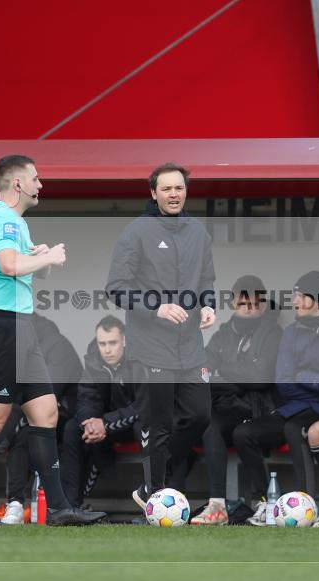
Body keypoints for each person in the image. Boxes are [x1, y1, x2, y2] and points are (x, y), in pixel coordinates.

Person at [0, 154, 104, 526]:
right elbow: (9, 266)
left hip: (20, 328)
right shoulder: (5, 219)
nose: (41, 185)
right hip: (1, 328)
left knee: (46, 413)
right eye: (37, 179)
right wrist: (48, 257)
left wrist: (36, 256)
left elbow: (14, 267)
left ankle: (59, 509)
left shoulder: (15, 224)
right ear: (19, 184)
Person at [106, 162, 215, 509]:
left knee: (200, 415)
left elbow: (206, 280)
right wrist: (158, 307)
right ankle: (154, 496)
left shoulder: (198, 232)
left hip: (190, 348)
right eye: (166, 188)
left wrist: (209, 305)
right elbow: (116, 288)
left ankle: (153, 481)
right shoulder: (136, 232)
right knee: (159, 424)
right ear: (153, 193)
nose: (174, 194)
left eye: (179, 188)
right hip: (150, 347)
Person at [233, 270, 319, 525]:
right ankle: (266, 504)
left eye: (301, 296)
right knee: (243, 434)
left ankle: (306, 504)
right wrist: (316, 380)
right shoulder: (291, 332)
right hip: (295, 407)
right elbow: (283, 383)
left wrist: (302, 375)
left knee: (295, 428)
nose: (295, 301)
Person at [189, 275, 283, 525]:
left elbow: (262, 377)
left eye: (254, 303)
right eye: (243, 304)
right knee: (206, 424)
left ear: (262, 304)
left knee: (242, 431)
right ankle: (217, 505)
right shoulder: (223, 333)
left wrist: (225, 371)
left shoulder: (273, 332)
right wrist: (237, 371)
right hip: (229, 407)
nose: (250, 309)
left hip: (261, 410)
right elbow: (204, 369)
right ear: (233, 303)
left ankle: (266, 501)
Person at [0, 313, 84, 523]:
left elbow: (47, 393)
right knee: (20, 433)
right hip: (37, 415)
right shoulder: (22, 346)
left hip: (65, 413)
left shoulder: (57, 346)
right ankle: (16, 503)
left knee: (22, 430)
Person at [59, 316, 144, 509]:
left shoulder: (139, 359)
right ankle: (71, 506)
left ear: (124, 340)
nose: (107, 349)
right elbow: (87, 397)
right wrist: (90, 421)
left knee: (145, 426)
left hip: (135, 422)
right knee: (73, 428)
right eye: (102, 343)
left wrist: (105, 423)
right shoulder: (94, 361)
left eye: (112, 343)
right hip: (107, 425)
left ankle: (151, 499)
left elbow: (144, 405)